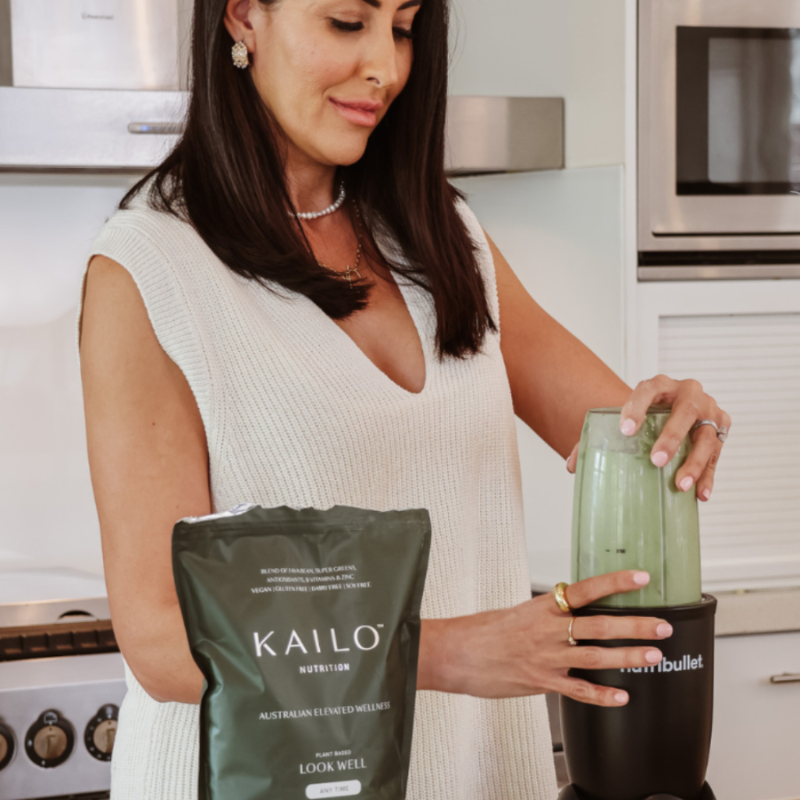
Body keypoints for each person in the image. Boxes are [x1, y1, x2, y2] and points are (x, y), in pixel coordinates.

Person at [76, 0, 730, 797]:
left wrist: (675, 421)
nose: (385, 66)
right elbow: (163, 641)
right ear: (244, 16)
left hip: (467, 773)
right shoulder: (149, 271)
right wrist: (450, 652)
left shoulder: (444, 237)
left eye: (406, 26)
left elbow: (621, 436)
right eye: (349, 23)